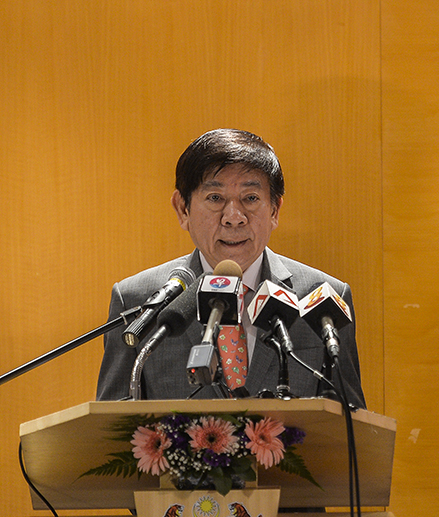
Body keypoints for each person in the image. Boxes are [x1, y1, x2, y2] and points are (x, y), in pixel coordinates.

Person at [96, 129, 365, 407]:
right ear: (183, 209)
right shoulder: (139, 300)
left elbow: (351, 428)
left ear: (274, 210)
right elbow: (110, 434)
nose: (234, 217)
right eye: (215, 198)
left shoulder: (321, 298)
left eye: (250, 198)